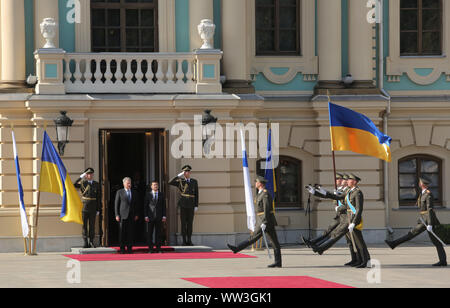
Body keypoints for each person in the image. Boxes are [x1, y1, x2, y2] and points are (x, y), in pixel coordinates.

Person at [306, 173, 370, 268]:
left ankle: (365, 261)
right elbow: (335, 196)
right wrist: (317, 192)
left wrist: (353, 222)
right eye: (347, 179)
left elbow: (358, 209)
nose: (347, 181)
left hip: (353, 219)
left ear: (354, 182)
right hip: (347, 218)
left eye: (349, 180)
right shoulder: (349, 191)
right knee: (353, 241)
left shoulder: (358, 192)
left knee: (358, 241)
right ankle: (361, 260)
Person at [385, 177, 447, 266]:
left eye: (420, 182)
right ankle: (443, 261)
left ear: (422, 184)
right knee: (436, 241)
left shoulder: (428, 195)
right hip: (424, 220)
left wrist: (429, 224)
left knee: (412, 234)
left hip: (427, 221)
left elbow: (430, 210)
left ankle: (393, 244)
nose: (418, 183)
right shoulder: (422, 194)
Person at [227, 176, 282, 268]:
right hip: (264, 221)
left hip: (265, 221)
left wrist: (264, 222)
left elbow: (267, 209)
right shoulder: (259, 194)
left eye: (256, 182)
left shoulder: (265, 194)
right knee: (274, 243)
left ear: (260, 183)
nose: (255, 183)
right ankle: (278, 262)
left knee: (253, 238)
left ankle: (237, 248)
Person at [169, 165, 199, 246]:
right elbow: (170, 182)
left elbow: (196, 194)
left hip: (191, 204)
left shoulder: (194, 181)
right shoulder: (180, 181)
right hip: (183, 205)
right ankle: (184, 241)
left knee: (190, 223)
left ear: (190, 172)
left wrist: (196, 205)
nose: (187, 173)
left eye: (188, 172)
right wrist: (179, 175)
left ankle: (189, 240)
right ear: (183, 173)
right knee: (183, 223)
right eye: (185, 172)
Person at [74, 168, 101, 248]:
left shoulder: (96, 184)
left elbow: (99, 197)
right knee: (84, 225)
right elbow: (75, 184)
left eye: (91, 174)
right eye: (88, 174)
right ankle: (85, 242)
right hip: (85, 207)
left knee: (92, 225)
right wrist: (81, 176)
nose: (90, 175)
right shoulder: (83, 183)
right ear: (86, 175)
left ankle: (91, 241)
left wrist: (98, 209)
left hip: (93, 207)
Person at [115, 177, 139, 254]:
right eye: (127, 183)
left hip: (132, 215)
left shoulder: (134, 192)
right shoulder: (120, 192)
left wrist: (136, 214)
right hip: (122, 215)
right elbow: (116, 204)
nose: (129, 184)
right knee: (122, 233)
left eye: (130, 183)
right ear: (124, 184)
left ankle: (129, 248)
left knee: (130, 232)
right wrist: (117, 214)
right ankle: (122, 248)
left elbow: (137, 205)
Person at [144, 181, 166, 253]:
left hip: (159, 217)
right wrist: (146, 215)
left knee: (158, 233)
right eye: (154, 185)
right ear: (151, 186)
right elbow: (145, 206)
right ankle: (150, 249)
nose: (155, 186)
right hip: (150, 216)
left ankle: (158, 248)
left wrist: (164, 216)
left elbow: (163, 206)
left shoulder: (161, 194)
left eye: (156, 185)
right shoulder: (148, 194)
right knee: (150, 233)